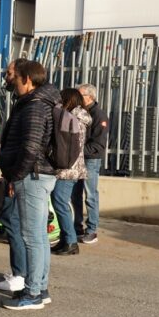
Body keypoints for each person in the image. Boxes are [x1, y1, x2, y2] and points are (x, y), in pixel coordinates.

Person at [0, 60, 60, 310]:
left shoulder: (34, 107)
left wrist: (16, 175)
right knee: (38, 237)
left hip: (32, 176)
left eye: (16, 78)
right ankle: (39, 288)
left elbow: (31, 146)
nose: (12, 81)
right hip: (38, 175)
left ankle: (34, 292)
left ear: (28, 79)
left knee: (32, 237)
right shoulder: (41, 103)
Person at [0, 58, 29, 293]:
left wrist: (14, 177)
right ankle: (21, 272)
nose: (6, 78)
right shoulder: (21, 102)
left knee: (14, 222)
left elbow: (28, 144)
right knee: (15, 222)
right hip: (15, 173)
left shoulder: (29, 105)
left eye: (9, 74)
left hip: (18, 175)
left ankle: (20, 275)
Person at [51, 88, 92, 256]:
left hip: (69, 168)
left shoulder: (73, 118)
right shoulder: (77, 117)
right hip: (73, 167)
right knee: (59, 201)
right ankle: (66, 238)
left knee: (59, 201)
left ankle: (71, 241)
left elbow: (67, 145)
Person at [72, 83, 109, 244]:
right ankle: (77, 226)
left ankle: (92, 229)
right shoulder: (80, 112)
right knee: (76, 194)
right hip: (79, 158)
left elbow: (98, 145)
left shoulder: (99, 116)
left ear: (90, 97)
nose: (78, 99)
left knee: (90, 195)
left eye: (81, 96)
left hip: (90, 160)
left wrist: (78, 150)